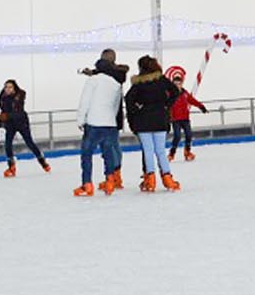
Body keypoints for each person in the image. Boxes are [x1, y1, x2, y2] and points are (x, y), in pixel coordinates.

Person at [122, 56, 180, 193]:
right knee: (160, 151)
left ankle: (150, 180)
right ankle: (168, 179)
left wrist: (137, 111)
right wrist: (166, 105)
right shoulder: (161, 80)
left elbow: (128, 99)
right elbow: (175, 91)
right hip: (160, 119)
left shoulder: (138, 83)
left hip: (143, 121)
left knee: (148, 151)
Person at [75, 51, 127, 197]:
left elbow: (85, 101)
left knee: (87, 154)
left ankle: (87, 184)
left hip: (93, 122)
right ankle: (110, 181)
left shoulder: (93, 80)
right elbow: (116, 105)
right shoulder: (116, 83)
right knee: (108, 152)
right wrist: (112, 119)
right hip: (110, 123)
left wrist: (80, 119)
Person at [0, 79, 48, 178]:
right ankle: (11, 166)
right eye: (6, 87)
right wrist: (0, 121)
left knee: (29, 143)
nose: (7, 89)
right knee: (7, 145)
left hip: (21, 122)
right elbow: (3, 111)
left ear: (14, 88)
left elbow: (18, 112)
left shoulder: (19, 96)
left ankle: (42, 160)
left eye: (10, 87)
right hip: (10, 124)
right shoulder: (2, 97)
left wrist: (6, 116)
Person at [166, 66, 207, 163]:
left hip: (185, 118)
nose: (177, 85)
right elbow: (166, 104)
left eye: (179, 84)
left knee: (189, 135)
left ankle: (187, 152)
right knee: (177, 136)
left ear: (181, 84)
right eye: (175, 84)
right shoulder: (170, 94)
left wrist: (201, 106)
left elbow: (192, 100)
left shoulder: (184, 93)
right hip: (175, 119)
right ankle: (172, 153)